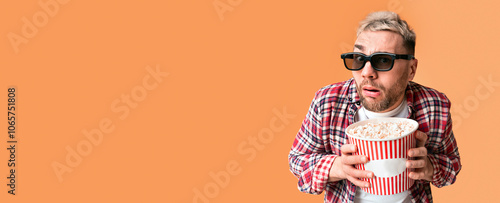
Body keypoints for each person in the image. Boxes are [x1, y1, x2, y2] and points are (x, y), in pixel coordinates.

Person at [288, 11, 461, 203]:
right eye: (359, 58)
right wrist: (338, 167)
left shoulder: (435, 106)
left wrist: (429, 167)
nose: (366, 73)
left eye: (384, 60)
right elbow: (297, 160)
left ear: (411, 69)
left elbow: (452, 165)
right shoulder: (327, 102)